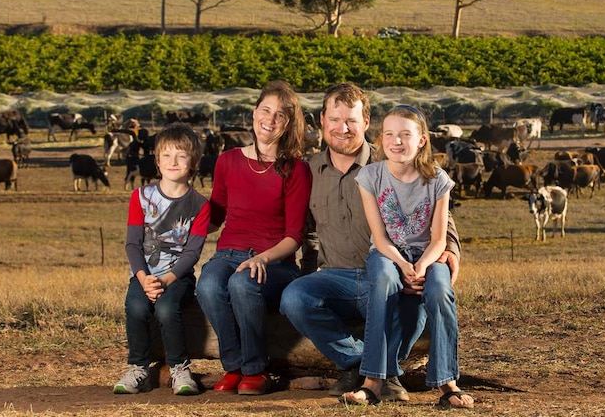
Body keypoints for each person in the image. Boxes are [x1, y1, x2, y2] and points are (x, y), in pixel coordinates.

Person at [280, 83, 461, 402]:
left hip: (391, 274)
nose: (342, 128)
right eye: (334, 119)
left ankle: (376, 374)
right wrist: (306, 272)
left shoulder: (391, 160)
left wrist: (450, 250)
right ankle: (363, 366)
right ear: (322, 120)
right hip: (338, 278)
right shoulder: (310, 171)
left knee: (411, 304)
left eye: (351, 120)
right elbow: (305, 231)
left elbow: (435, 213)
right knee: (295, 297)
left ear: (366, 122)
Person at [343, 104, 474, 408]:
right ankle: (373, 381)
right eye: (389, 134)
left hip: (428, 253)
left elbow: (439, 238)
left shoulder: (438, 180)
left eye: (405, 134)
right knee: (383, 282)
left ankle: (447, 382)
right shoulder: (370, 177)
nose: (397, 141)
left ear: (422, 140)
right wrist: (403, 265)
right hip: (388, 253)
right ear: (380, 139)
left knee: (441, 290)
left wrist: (422, 266)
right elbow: (380, 238)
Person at [196, 80, 313, 395]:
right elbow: (215, 215)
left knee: (242, 282)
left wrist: (262, 257)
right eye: (266, 110)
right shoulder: (228, 161)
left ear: (288, 124)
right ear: (253, 113)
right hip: (228, 254)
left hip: (275, 261)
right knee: (207, 283)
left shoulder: (296, 170)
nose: (270, 119)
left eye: (280, 116)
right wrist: (181, 213)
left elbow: (294, 236)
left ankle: (256, 370)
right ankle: (233, 367)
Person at [114, 122, 210, 396]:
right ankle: (138, 368)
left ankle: (180, 368)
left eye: (181, 156)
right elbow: (133, 244)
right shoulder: (141, 197)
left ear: (193, 163)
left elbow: (192, 252)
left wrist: (167, 280)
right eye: (166, 155)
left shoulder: (200, 205)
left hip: (176, 276)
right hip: (144, 275)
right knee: (136, 307)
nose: (173, 161)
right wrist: (144, 279)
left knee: (167, 310)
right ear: (157, 161)